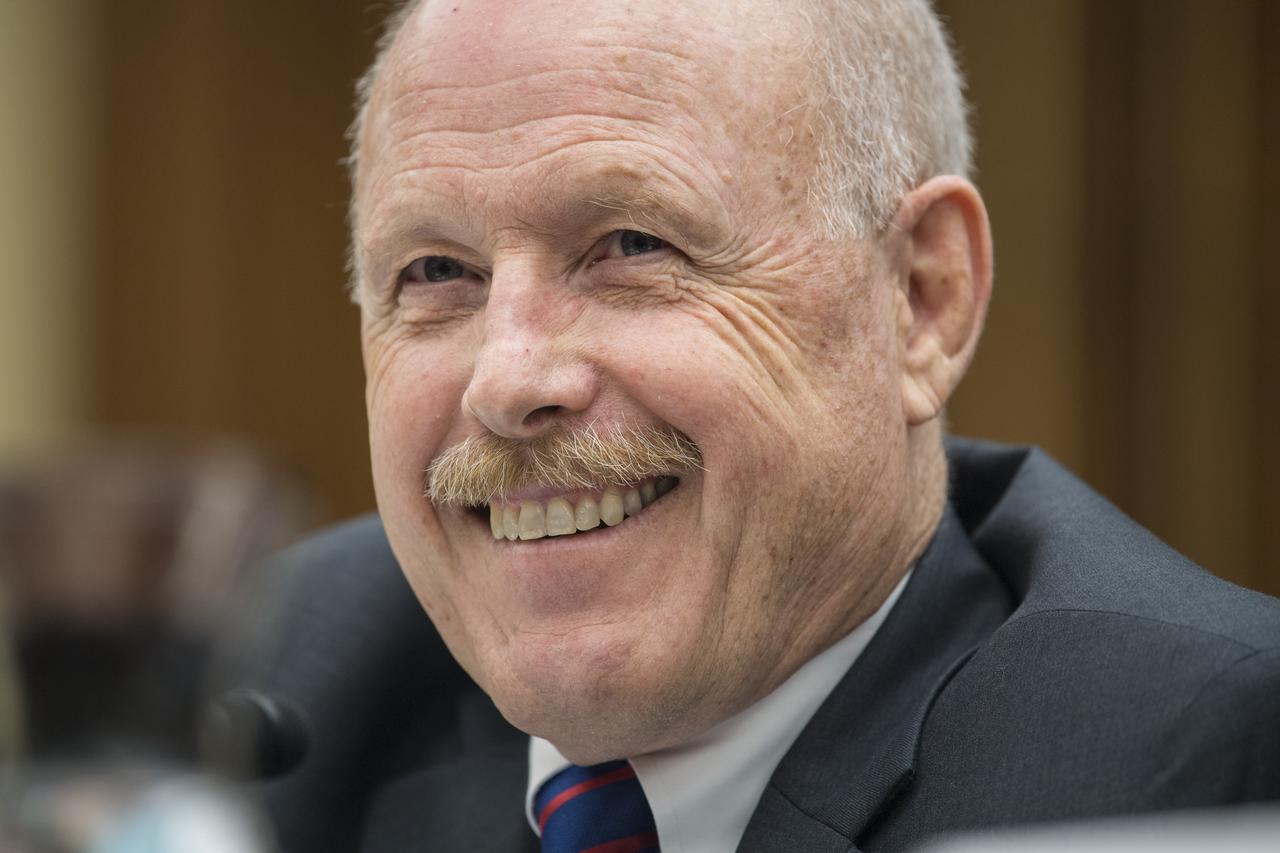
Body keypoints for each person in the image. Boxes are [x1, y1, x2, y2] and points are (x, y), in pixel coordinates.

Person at [240, 0, 1280, 850]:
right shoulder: (275, 682)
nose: (508, 380)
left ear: (921, 298)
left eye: (631, 243)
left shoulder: (1193, 761)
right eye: (435, 273)